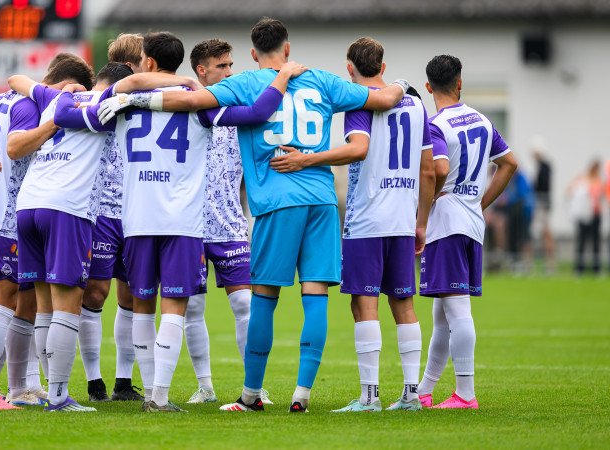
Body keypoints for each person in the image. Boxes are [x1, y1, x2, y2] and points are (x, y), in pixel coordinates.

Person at [97, 18, 408, 413]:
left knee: (263, 296)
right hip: (322, 198)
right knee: (316, 296)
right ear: (289, 49)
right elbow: (382, 100)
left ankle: (250, 394)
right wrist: (401, 84)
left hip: (277, 200)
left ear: (252, 54)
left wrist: (131, 99)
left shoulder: (245, 83)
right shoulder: (323, 80)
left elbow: (193, 102)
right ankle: (302, 394)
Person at [55, 31, 302, 412]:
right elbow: (256, 113)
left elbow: (63, 114)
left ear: (147, 62)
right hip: (183, 222)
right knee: (175, 305)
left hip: (135, 219)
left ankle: (147, 391)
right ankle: (159, 396)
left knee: (141, 304)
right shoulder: (198, 104)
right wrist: (282, 77)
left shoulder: (122, 104)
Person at [271, 37, 435, 412]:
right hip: (402, 218)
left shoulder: (359, 103)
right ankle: (411, 394)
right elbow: (430, 169)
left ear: (350, 69)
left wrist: (308, 159)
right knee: (404, 305)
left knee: (364, 305)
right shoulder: (415, 105)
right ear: (383, 65)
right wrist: (421, 220)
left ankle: (369, 396)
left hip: (368, 219)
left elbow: (358, 148)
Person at [0, 56, 84, 410]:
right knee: (2, 302)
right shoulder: (30, 105)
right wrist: (53, 124)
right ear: (60, 84)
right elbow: (15, 146)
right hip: (0, 215)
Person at [417, 54, 517, 409]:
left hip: (447, 224)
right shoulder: (482, 119)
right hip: (471, 224)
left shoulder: (435, 124)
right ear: (460, 83)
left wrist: (424, 212)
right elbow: (509, 163)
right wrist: (481, 202)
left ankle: (465, 393)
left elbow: (439, 169)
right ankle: (424, 390)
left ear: (429, 87)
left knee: (456, 311)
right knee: (442, 314)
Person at [4, 55, 101, 412]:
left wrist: (58, 89)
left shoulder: (51, 97)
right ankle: (59, 396)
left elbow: (16, 78)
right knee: (67, 304)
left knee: (41, 304)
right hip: (66, 207)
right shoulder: (105, 104)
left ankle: (38, 388)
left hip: (28, 206)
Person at [178, 39, 267, 405]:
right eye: (222, 66)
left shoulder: (239, 106)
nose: (230, 72)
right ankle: (205, 386)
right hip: (189, 225)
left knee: (245, 305)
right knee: (193, 308)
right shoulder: (185, 105)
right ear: (202, 70)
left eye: (231, 65)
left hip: (230, 224)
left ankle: (254, 388)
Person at [78, 33, 145, 403]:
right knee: (96, 291)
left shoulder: (147, 100)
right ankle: (93, 380)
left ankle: (123, 381)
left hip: (136, 207)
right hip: (101, 207)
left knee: (131, 295)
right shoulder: (98, 97)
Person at [568, 160, 603, 275]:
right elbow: (571, 190)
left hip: (595, 214)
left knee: (595, 242)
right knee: (582, 241)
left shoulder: (599, 181)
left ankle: (596, 268)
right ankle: (579, 267)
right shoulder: (584, 180)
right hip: (583, 214)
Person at [531, 142, 555, 273]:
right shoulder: (541, 166)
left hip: (542, 203)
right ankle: (546, 263)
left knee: (546, 233)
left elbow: (543, 185)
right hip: (541, 203)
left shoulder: (544, 166)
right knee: (541, 233)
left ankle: (549, 263)